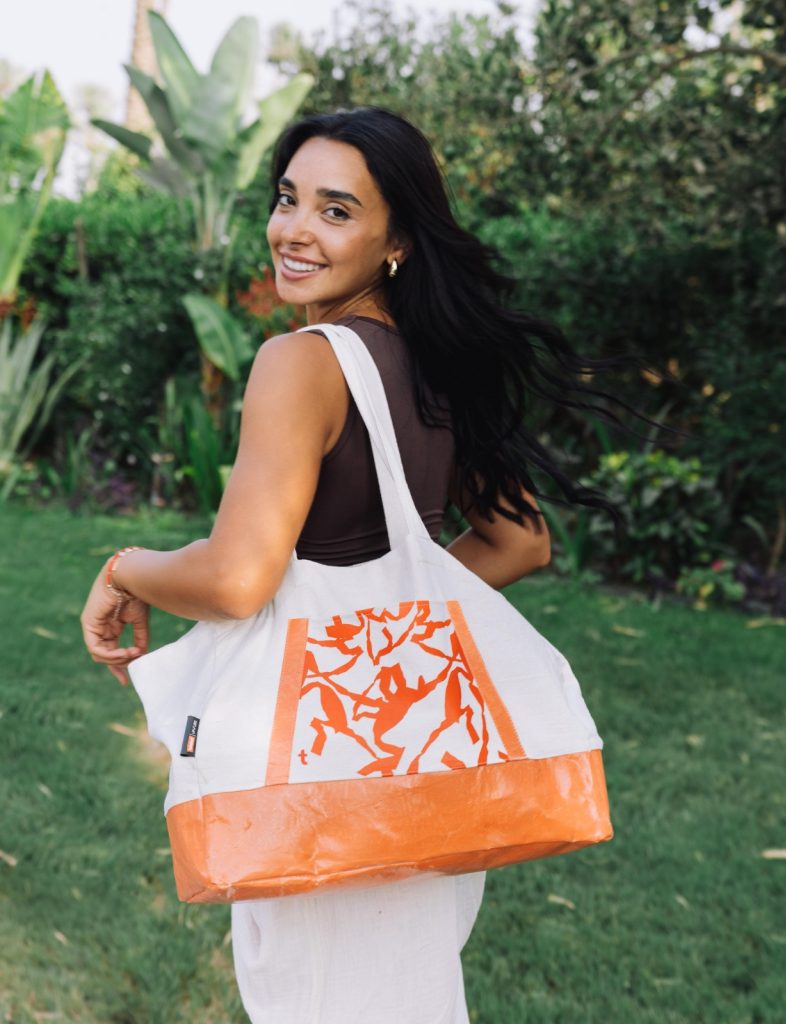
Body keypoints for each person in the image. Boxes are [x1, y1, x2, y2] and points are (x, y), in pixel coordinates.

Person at [81, 106, 653, 1023]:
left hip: (320, 785)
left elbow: (235, 579)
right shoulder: (435, 364)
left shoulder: (301, 363)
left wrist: (125, 569)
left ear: (396, 242)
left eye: (336, 210)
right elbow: (518, 540)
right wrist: (382, 618)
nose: (294, 230)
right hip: (423, 764)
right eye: (287, 199)